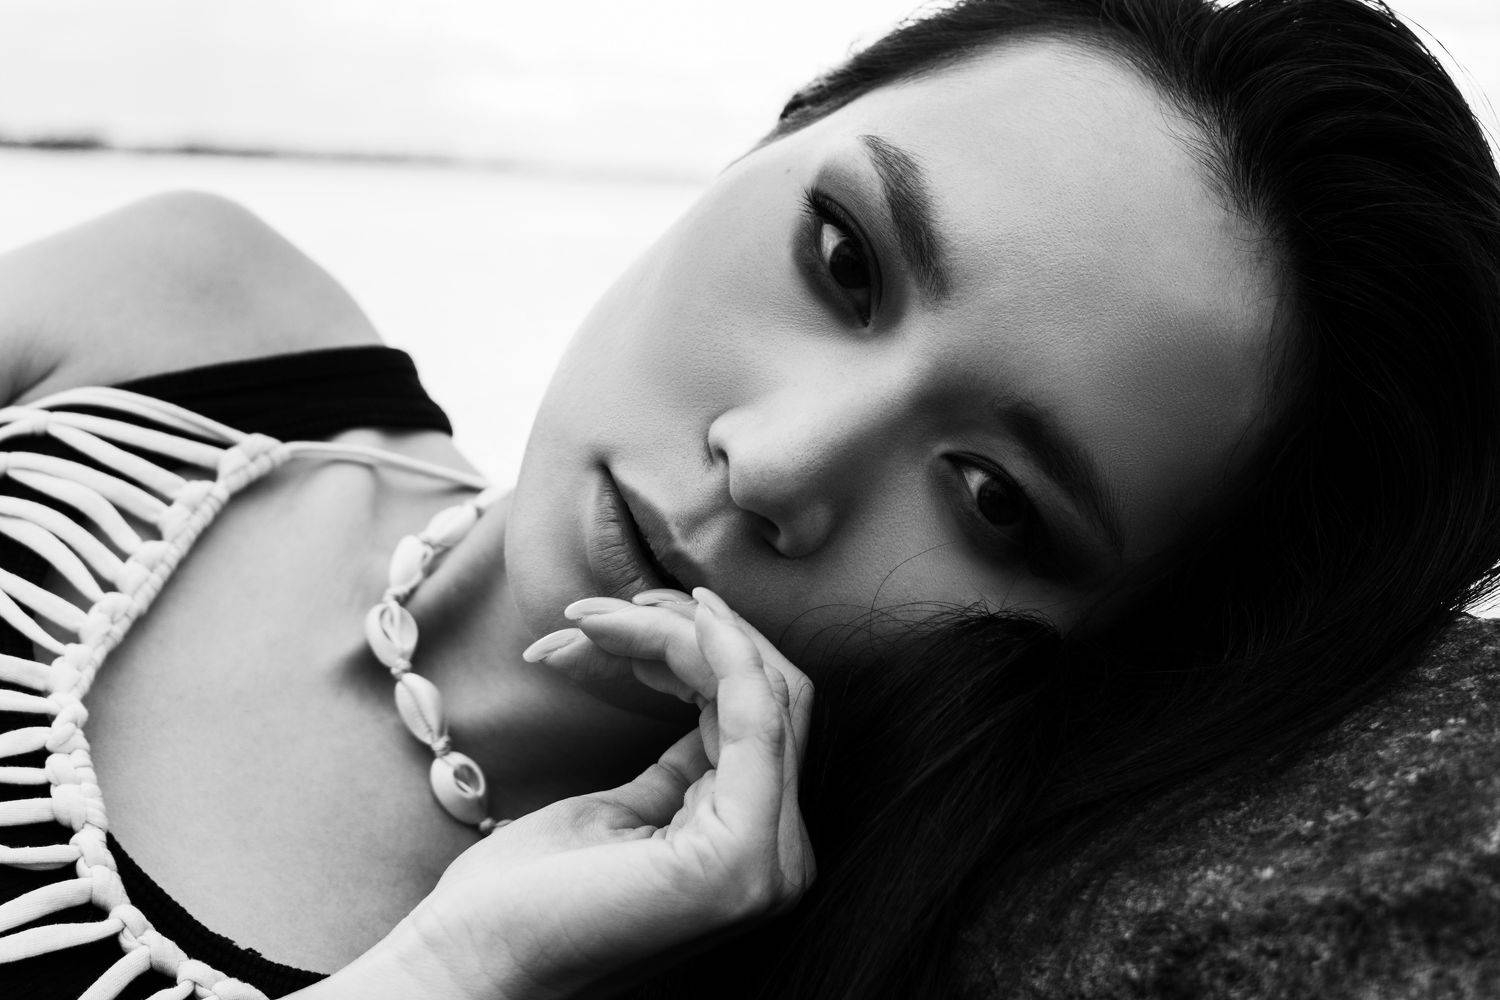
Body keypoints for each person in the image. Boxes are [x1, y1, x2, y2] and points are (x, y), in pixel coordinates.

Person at [2, 0, 1498, 997]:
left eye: (993, 498)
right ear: (772, 134)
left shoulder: (625, 970)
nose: (777, 465)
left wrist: (464, 969)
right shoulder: (181, 322)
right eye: (843, 260)